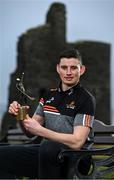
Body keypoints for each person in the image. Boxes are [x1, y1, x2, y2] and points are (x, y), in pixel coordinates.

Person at [0, 48, 96, 179]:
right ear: (58, 69)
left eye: (73, 68)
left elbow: (77, 142)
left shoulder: (85, 99)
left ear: (82, 70)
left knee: (48, 147)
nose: (68, 72)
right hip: (48, 154)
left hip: (76, 158)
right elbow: (31, 129)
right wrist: (20, 114)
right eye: (64, 67)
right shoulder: (48, 96)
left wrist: (41, 131)